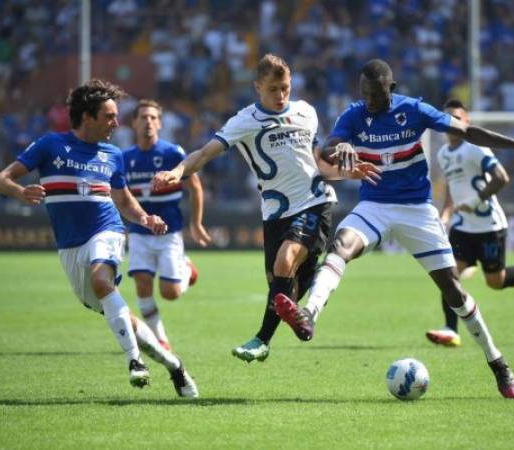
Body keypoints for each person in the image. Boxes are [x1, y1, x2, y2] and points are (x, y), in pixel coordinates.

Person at [273, 59, 514, 399]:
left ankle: (498, 363)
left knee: (454, 292)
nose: (368, 101)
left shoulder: (414, 110)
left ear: (390, 89)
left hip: (417, 211)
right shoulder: (354, 115)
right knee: (340, 246)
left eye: (374, 94)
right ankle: (309, 315)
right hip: (374, 205)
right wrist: (340, 147)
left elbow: (468, 132)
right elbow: (331, 147)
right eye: (364, 94)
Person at [152, 54, 379, 363]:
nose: (280, 95)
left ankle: (262, 339)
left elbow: (319, 163)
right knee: (283, 285)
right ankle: (305, 310)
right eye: (273, 89)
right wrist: (178, 172)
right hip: (274, 213)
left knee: (285, 263)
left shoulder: (305, 112)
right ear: (257, 87)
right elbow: (204, 154)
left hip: (315, 202)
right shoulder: (244, 121)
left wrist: (344, 172)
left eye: (284, 87)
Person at [0, 79, 198, 397]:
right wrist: (20, 191)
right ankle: (176, 367)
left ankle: (135, 362)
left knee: (104, 282)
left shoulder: (112, 154)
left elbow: (124, 200)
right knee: (121, 315)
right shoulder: (49, 145)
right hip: (69, 247)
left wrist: (144, 218)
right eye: (109, 116)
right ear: (87, 117)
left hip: (108, 231)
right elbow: (1, 179)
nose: (116, 123)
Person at [425, 99, 514, 347]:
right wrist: (445, 214)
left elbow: (501, 177)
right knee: (449, 275)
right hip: (463, 227)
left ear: (466, 122)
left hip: (490, 227)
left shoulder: (475, 149)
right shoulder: (443, 154)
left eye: (456, 118)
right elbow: (453, 189)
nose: (451, 124)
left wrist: (475, 201)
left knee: (495, 281)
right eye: (447, 119)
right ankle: (450, 329)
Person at [123, 99, 211, 351]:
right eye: (143, 117)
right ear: (134, 123)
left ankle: (186, 267)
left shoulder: (173, 154)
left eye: (152, 117)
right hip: (140, 232)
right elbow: (120, 197)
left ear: (159, 123)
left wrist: (195, 223)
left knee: (170, 293)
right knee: (141, 284)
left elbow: (195, 187)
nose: (148, 122)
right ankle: (160, 338)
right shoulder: (124, 158)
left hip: (169, 233)